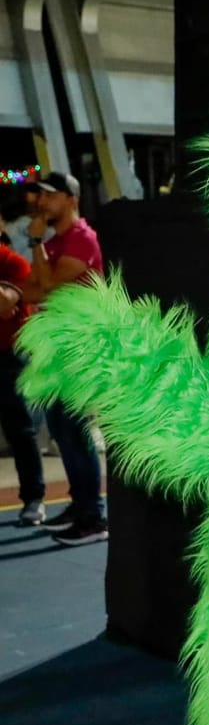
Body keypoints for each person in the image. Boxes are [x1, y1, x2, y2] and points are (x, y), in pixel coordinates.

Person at [18, 172, 107, 545]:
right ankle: (81, 505)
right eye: (40, 197)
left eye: (49, 197)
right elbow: (33, 289)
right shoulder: (56, 245)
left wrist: (36, 242)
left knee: (75, 429)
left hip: (77, 348)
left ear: (71, 199)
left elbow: (50, 287)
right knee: (61, 431)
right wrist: (41, 252)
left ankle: (94, 516)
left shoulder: (81, 238)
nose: (41, 203)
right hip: (56, 348)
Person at [0, 228, 46, 525]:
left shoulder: (15, 263)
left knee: (20, 431)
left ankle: (34, 498)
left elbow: (4, 304)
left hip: (8, 356)